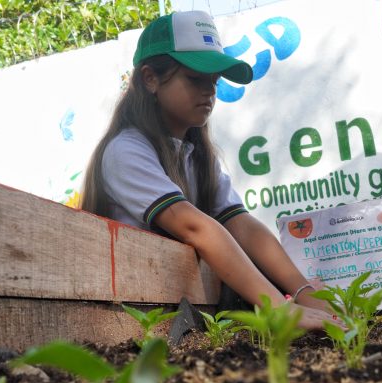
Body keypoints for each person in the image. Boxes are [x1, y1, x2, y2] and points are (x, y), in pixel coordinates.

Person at [81, 10, 339, 330]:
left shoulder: (196, 155)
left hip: (182, 313)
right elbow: (197, 228)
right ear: (150, 78)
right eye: (195, 79)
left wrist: (305, 292)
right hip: (130, 321)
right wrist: (279, 309)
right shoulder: (125, 151)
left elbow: (242, 225)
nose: (210, 92)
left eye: (214, 81)